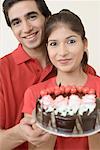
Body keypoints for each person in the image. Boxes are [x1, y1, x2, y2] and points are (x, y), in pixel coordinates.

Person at [0, 0, 97, 149]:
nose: (26, 28)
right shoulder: (4, 72)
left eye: (32, 16)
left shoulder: (87, 72)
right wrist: (22, 132)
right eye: (16, 22)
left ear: (47, 18)